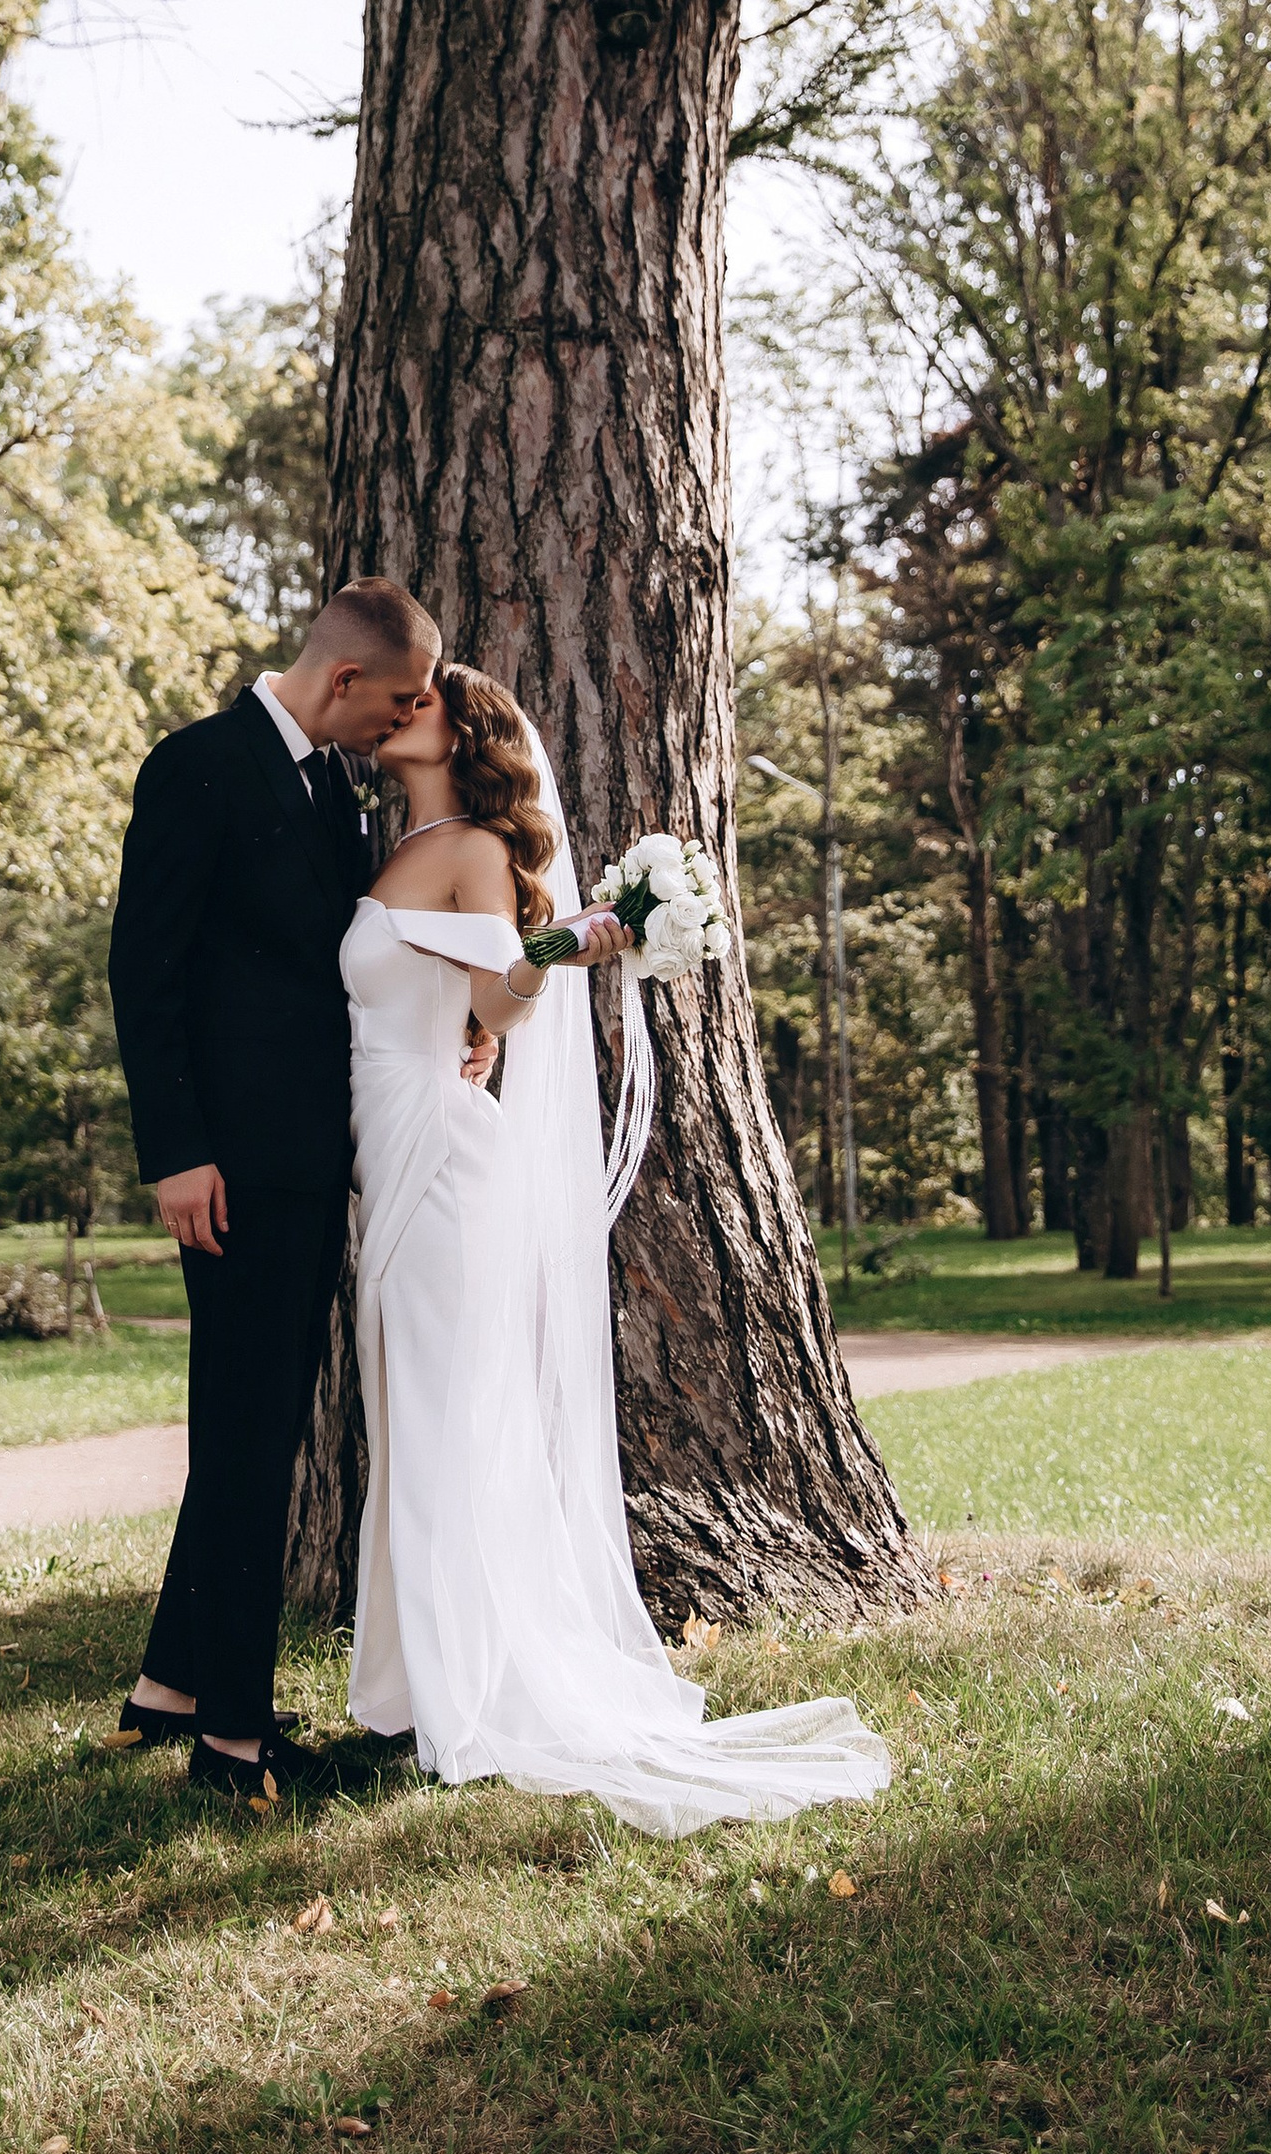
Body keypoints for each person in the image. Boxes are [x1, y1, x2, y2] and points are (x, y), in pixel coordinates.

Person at [345, 664, 892, 1836]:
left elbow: (500, 1004)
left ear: (463, 732)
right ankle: (413, 1685)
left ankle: (460, 1695)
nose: (399, 710)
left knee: (443, 1416)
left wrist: (558, 947)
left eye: (422, 701)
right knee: (406, 1415)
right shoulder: (404, 841)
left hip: (440, 1160)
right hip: (391, 1144)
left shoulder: (472, 849)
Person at [106, 575, 443, 1802]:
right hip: (227, 1172)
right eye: (396, 700)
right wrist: (174, 1151)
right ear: (344, 677)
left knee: (255, 1426)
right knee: (249, 1439)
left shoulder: (331, 788)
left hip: (309, 1164)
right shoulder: (196, 765)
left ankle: (171, 1687)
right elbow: (142, 970)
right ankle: (235, 1745)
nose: (400, 721)